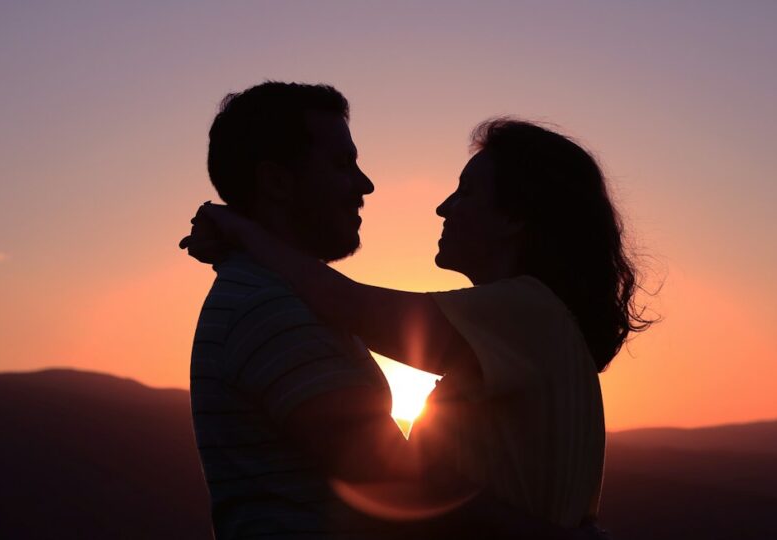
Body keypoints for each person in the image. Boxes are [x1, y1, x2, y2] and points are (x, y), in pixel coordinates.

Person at [186, 118, 652, 531]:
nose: (443, 207)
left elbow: (351, 304)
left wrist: (243, 233)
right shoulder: (532, 328)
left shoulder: (529, 312)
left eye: (466, 192)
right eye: (343, 163)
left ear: (514, 219)